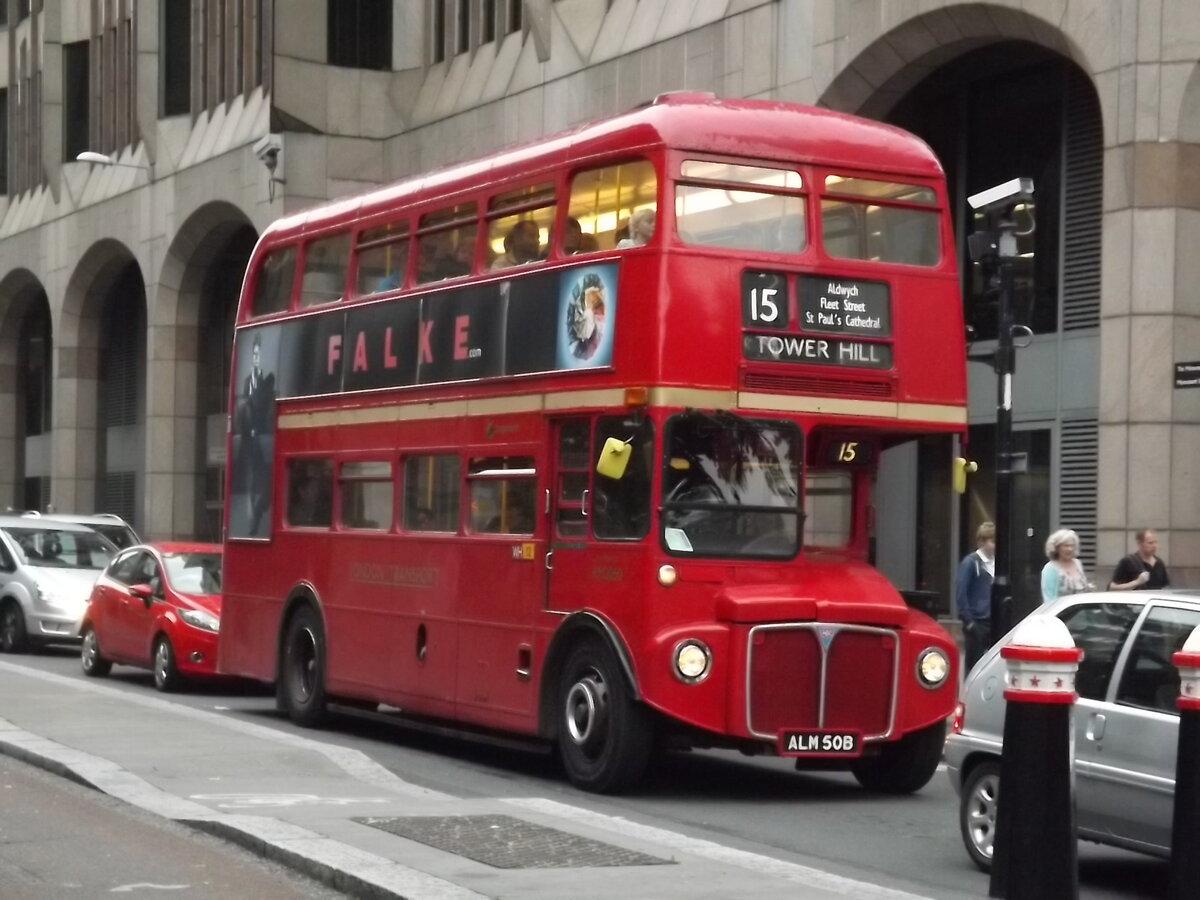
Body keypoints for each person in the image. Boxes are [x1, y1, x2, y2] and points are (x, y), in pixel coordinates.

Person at [240, 334, 276, 536]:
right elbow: (244, 407)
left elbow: (267, 405)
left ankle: (255, 518)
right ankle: (251, 520)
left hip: (262, 436)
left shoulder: (265, 380)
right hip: (248, 438)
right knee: (251, 480)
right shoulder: (247, 381)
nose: (255, 358)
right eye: (253, 354)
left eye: (258, 354)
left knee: (263, 480)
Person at [954, 521, 995, 672]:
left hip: (992, 621)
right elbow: (961, 592)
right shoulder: (970, 563)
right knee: (974, 665)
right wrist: (969, 621)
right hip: (976, 621)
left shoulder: (996, 563)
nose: (995, 545)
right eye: (992, 541)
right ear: (982, 542)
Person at [1040, 528, 1093, 604]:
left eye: (1072, 546)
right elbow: (1049, 599)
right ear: (1056, 548)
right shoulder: (1050, 568)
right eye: (1066, 546)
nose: (1070, 549)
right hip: (1061, 612)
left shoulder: (1077, 563)